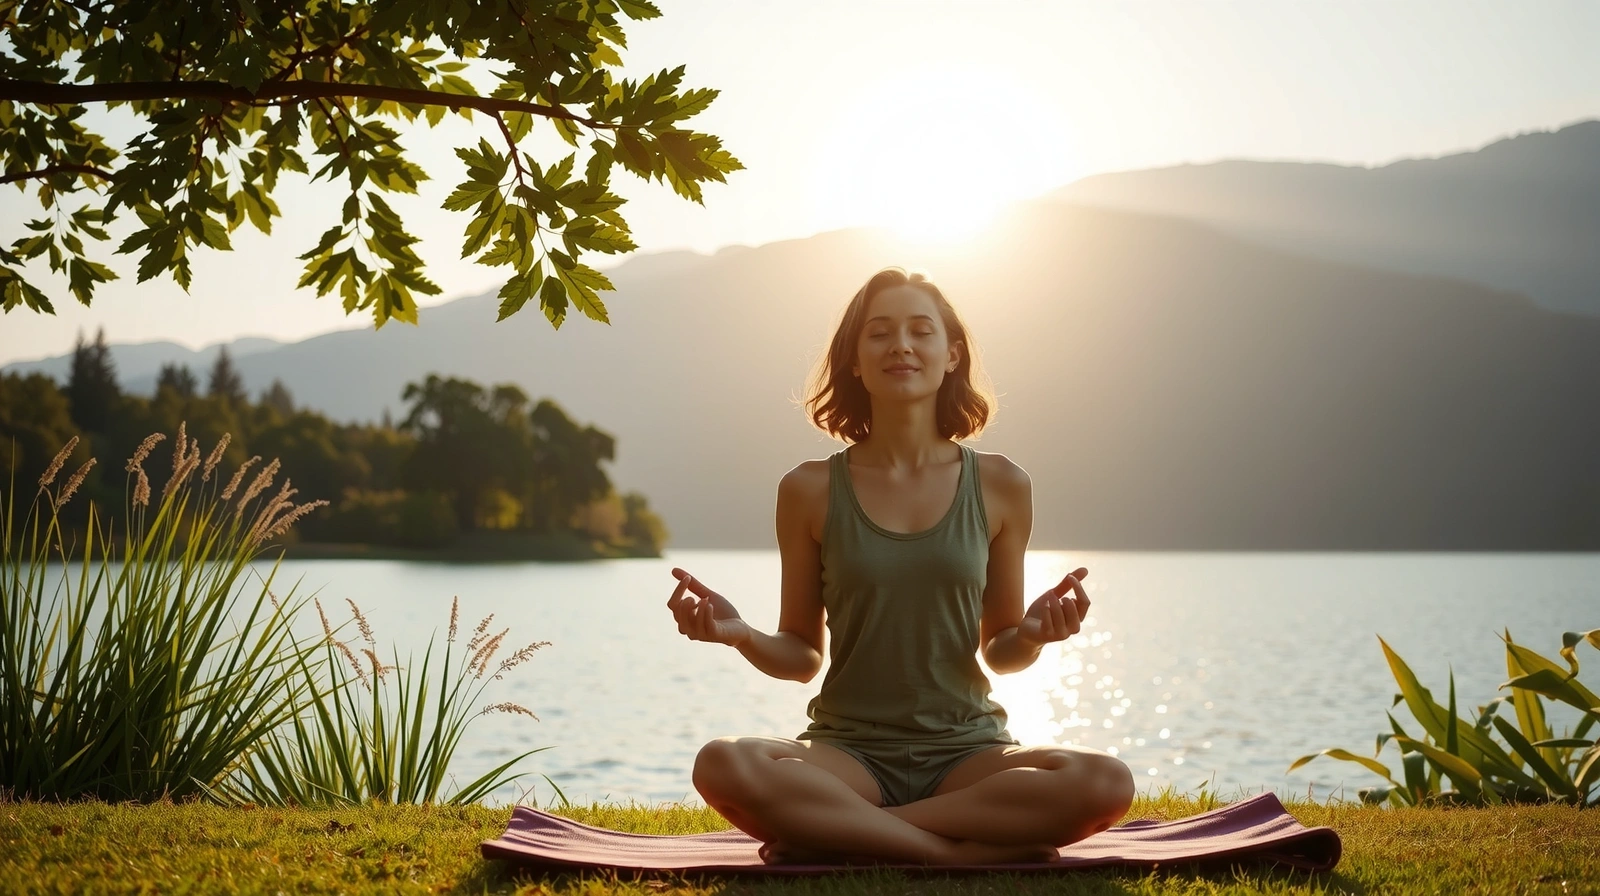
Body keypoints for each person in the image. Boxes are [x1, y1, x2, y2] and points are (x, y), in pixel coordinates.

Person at [665, 266, 1135, 866]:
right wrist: (740, 635)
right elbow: (801, 656)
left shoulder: (1002, 484)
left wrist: (1035, 635)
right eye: (880, 333)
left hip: (968, 753)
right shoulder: (808, 489)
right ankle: (953, 857)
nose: (901, 346)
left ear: (952, 355)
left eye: (921, 331)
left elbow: (1001, 650)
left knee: (1104, 781)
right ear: (855, 361)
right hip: (847, 755)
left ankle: (845, 831)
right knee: (724, 762)